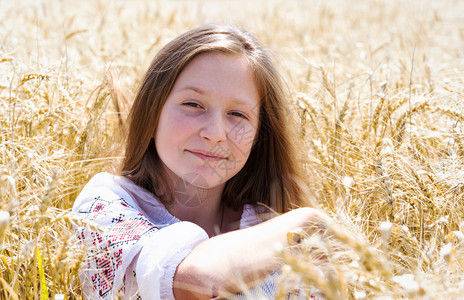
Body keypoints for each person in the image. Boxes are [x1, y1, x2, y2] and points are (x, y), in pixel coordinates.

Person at [72, 24, 329, 299]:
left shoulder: (272, 227)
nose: (216, 134)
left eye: (238, 114)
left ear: (259, 134)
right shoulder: (105, 205)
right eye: (194, 105)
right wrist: (308, 218)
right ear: (153, 109)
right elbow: (195, 282)